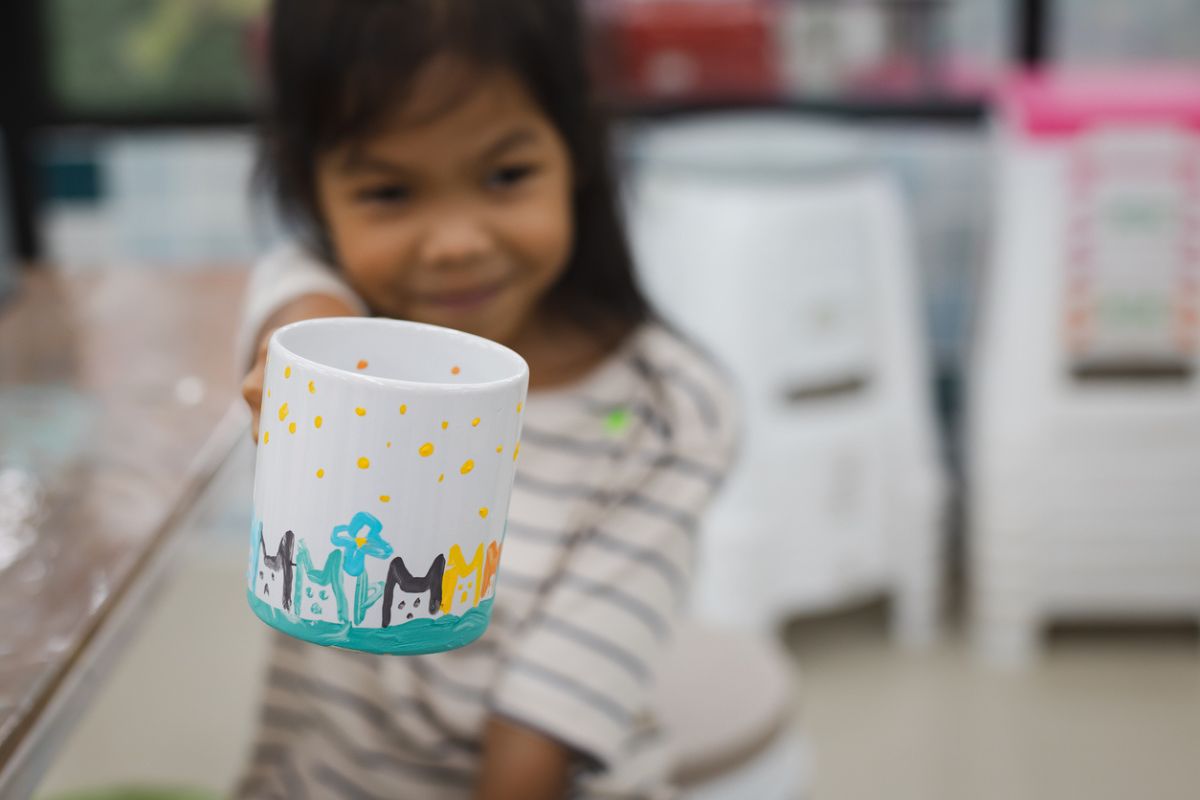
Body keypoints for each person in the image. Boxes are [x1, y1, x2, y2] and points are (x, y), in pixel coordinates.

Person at [236, 1, 736, 797]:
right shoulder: (339, 309)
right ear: (312, 188)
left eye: (506, 175)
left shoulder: (665, 412)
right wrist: (319, 343)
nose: (458, 241)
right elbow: (291, 279)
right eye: (389, 192)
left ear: (577, 152)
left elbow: (541, 731)